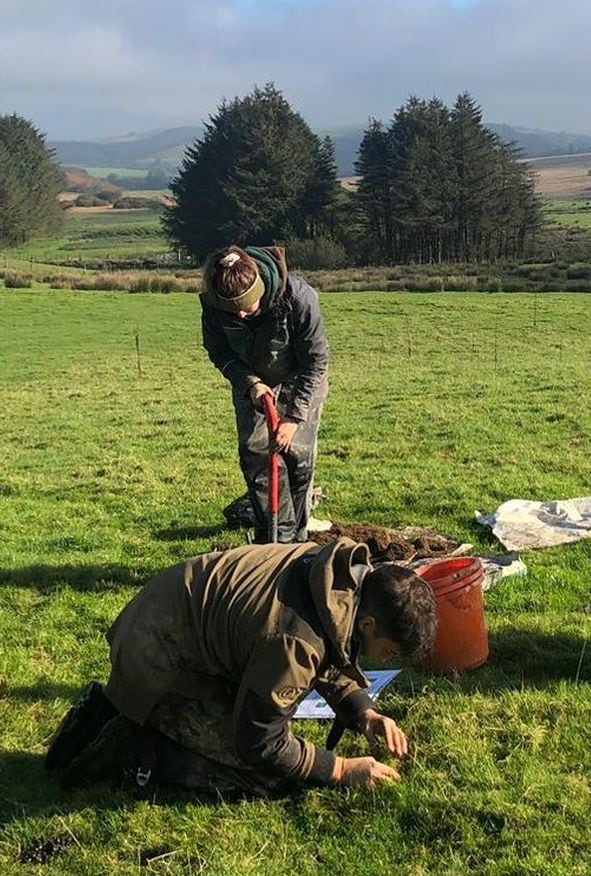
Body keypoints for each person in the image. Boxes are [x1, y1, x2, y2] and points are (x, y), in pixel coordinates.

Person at [45, 538, 437, 797]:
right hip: (157, 660)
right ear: (368, 623)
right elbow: (260, 743)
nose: (382, 661)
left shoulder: (336, 576)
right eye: (386, 651)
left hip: (171, 628)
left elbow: (333, 640)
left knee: (270, 733)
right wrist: (339, 769)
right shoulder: (293, 643)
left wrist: (361, 710)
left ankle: (122, 708)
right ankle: (125, 744)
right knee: (266, 777)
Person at [200, 245, 328, 543]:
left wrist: (294, 417)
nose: (242, 314)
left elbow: (316, 360)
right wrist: (250, 383)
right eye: (234, 310)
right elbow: (218, 351)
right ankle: (272, 536)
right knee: (256, 454)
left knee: (297, 457)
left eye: (248, 306)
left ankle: (297, 537)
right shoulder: (214, 303)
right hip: (254, 383)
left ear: (262, 287)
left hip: (300, 380)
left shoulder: (298, 297)